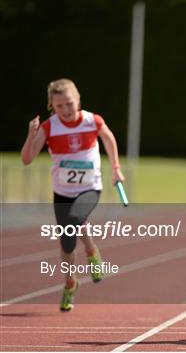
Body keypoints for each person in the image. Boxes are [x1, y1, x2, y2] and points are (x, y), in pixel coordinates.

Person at [21, 78, 125, 312]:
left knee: (75, 219)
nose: (66, 110)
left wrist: (116, 168)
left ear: (78, 100)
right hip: (62, 192)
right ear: (52, 106)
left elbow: (108, 138)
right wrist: (31, 134)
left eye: (69, 104)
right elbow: (27, 159)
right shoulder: (49, 127)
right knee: (67, 243)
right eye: (59, 106)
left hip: (90, 187)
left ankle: (91, 252)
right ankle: (70, 283)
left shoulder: (92, 121)